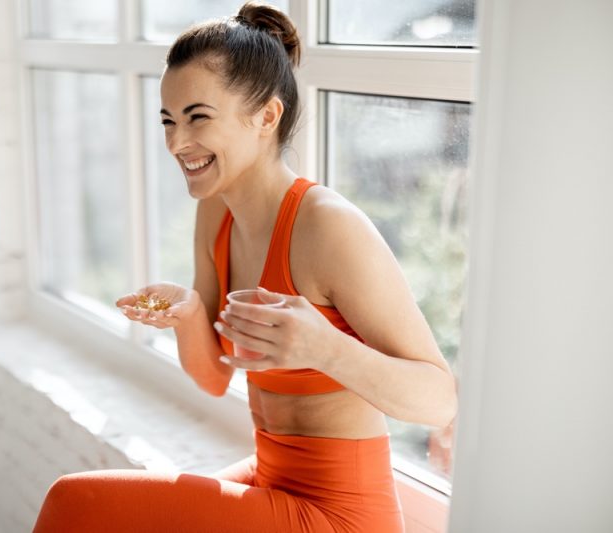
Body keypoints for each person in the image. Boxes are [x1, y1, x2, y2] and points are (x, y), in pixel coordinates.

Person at [33, 2, 457, 532]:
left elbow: (440, 401)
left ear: (266, 117)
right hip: (270, 478)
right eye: (168, 120)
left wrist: (324, 348)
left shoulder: (328, 227)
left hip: (341, 514)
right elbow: (213, 378)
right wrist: (189, 315)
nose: (176, 143)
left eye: (197, 118)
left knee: (77, 505)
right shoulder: (217, 211)